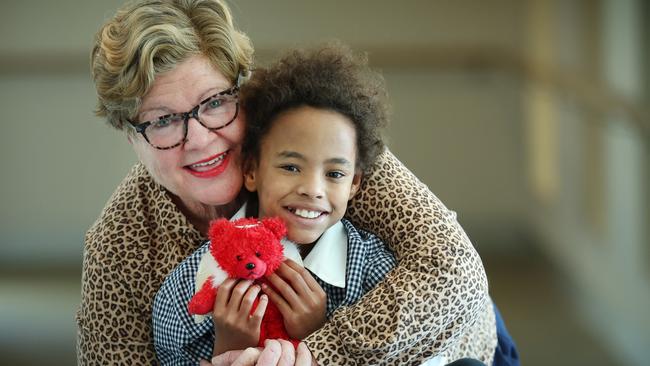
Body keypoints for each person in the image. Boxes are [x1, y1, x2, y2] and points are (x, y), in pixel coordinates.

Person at [77, 0, 499, 364]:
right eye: (164, 120)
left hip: (458, 345)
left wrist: (315, 352)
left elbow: (454, 272)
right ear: (130, 134)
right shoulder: (119, 245)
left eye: (214, 102)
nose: (201, 139)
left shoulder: (313, 138)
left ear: (240, 91)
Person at [152, 44, 399, 364]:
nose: (313, 189)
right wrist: (228, 348)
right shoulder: (190, 285)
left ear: (354, 184)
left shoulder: (374, 271)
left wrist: (320, 337)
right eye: (291, 167)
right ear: (252, 170)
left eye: (335, 173)